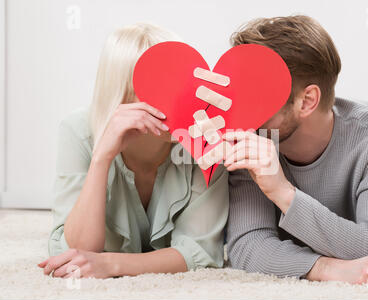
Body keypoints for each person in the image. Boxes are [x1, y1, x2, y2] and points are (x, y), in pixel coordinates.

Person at [224, 15, 368, 286]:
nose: (243, 109)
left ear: (307, 101)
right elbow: (247, 245)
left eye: (257, 94)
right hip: (354, 196)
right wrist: (326, 269)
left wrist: (282, 191)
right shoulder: (249, 135)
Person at [38, 23, 228, 279]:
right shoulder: (78, 131)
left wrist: (111, 264)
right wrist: (101, 158)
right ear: (123, 95)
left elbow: (200, 251)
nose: (178, 101)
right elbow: (77, 252)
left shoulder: (206, 137)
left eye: (183, 85)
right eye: (159, 87)